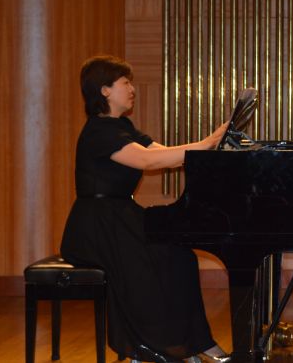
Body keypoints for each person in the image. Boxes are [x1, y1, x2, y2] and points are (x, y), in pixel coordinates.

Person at [60, 55, 231, 363]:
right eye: (125, 83)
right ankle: (151, 346)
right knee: (153, 262)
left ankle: (192, 343)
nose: (132, 89)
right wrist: (207, 143)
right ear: (105, 90)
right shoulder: (99, 131)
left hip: (119, 217)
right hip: (96, 226)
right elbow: (148, 161)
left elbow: (162, 153)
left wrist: (207, 146)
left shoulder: (121, 126)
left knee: (180, 256)